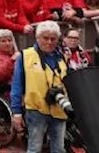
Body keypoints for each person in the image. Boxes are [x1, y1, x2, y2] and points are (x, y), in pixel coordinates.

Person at [10, 21, 69, 153]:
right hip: (36, 109)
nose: (49, 42)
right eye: (45, 38)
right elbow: (17, 85)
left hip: (59, 108)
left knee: (59, 149)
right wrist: (16, 112)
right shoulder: (25, 56)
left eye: (53, 39)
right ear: (37, 38)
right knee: (34, 148)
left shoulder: (63, 57)